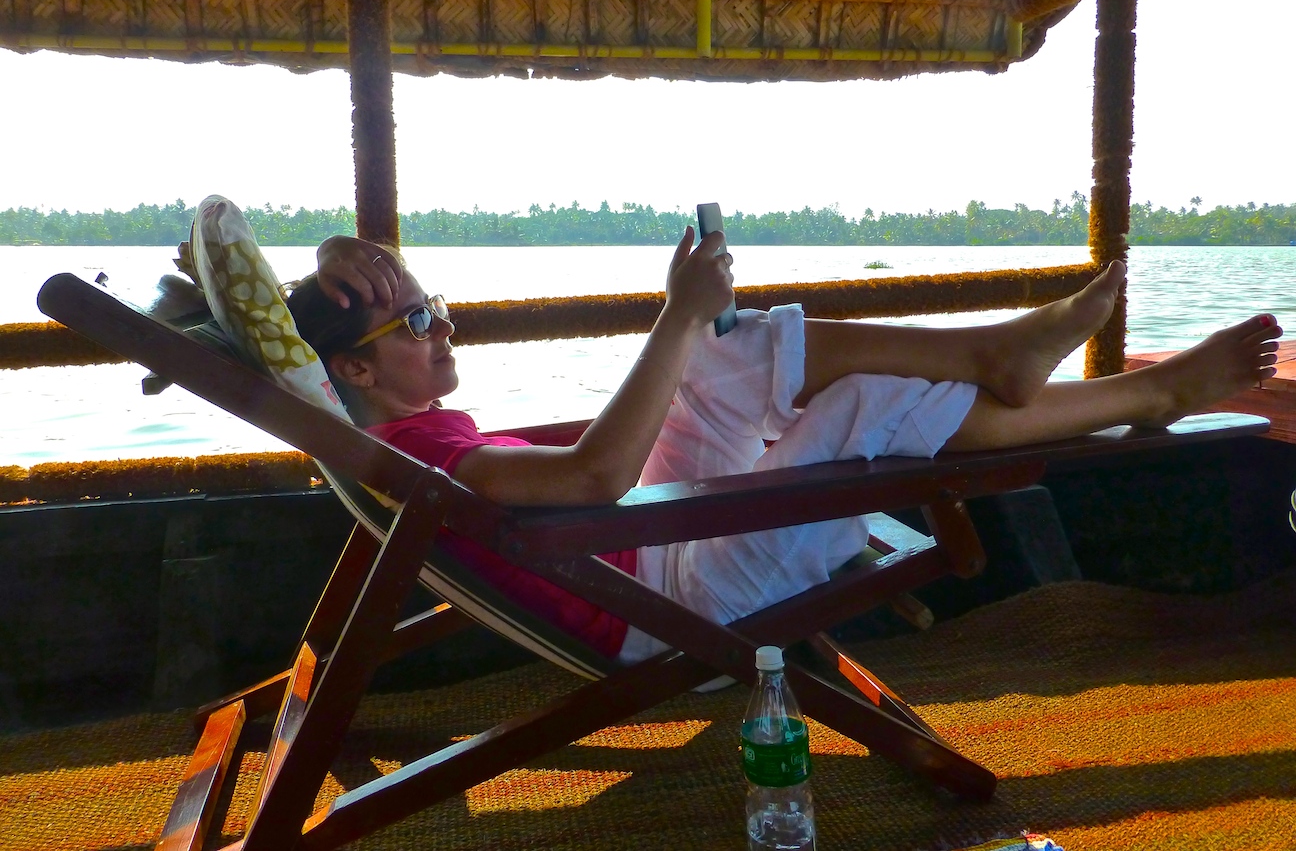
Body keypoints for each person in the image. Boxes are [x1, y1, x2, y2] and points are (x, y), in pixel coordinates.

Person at [286, 230, 1281, 665]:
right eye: (417, 322)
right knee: (868, 403)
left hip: (643, 559)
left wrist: (338, 256)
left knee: (725, 353)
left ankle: (1002, 354)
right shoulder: (425, 458)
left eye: (434, 306)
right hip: (671, 609)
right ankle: (1141, 390)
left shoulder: (393, 432)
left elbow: (272, 330)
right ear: (358, 371)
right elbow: (596, 474)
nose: (443, 328)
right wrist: (674, 314)